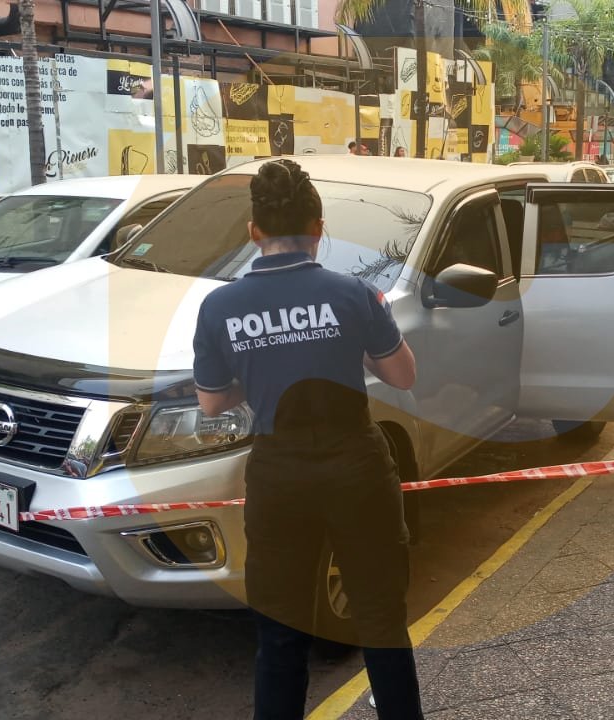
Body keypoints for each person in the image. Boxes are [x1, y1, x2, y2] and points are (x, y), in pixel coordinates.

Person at [193, 159, 424, 719]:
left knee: (280, 633)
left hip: (279, 475)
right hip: (358, 469)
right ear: (319, 228)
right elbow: (403, 376)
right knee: (382, 622)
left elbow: (212, 401)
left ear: (254, 232)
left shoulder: (220, 307)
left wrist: (262, 366)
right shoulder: (355, 294)